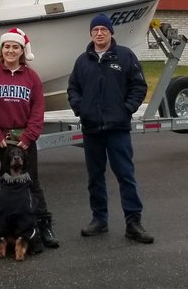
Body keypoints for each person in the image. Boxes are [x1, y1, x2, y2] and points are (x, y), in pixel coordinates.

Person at [0, 28, 59, 251]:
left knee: (33, 183)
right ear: (2, 50)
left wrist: (29, 137)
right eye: (7, 46)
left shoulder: (32, 77)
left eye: (15, 47)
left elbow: (38, 110)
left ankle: (44, 225)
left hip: (23, 140)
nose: (10, 50)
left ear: (21, 51)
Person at [66, 13, 154, 244]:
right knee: (95, 177)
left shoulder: (125, 56)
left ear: (111, 32)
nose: (100, 33)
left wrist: (126, 109)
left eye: (104, 29)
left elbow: (138, 86)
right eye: (96, 30)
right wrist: (81, 109)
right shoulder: (82, 61)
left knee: (126, 176)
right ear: (91, 33)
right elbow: (73, 88)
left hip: (117, 129)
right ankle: (99, 219)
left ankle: (133, 222)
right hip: (92, 129)